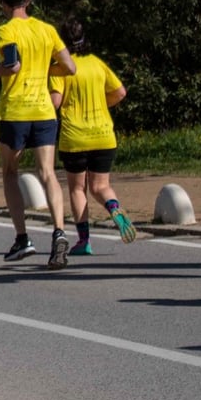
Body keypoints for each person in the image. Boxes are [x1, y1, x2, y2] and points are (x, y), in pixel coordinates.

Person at [0, 0, 77, 269]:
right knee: (47, 173)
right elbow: (70, 67)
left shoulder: (5, 30)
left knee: (10, 172)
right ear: (29, 0)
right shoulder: (46, 30)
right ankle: (60, 232)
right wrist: (45, 66)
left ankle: (22, 238)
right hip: (45, 109)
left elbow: (12, 66)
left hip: (16, 111)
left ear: (2, 3)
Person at [48, 18, 137, 255]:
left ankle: (84, 240)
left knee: (78, 189)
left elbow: (55, 101)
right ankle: (114, 208)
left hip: (74, 137)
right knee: (101, 186)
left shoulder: (62, 67)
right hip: (103, 134)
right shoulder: (97, 64)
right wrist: (102, 104)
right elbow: (120, 92)